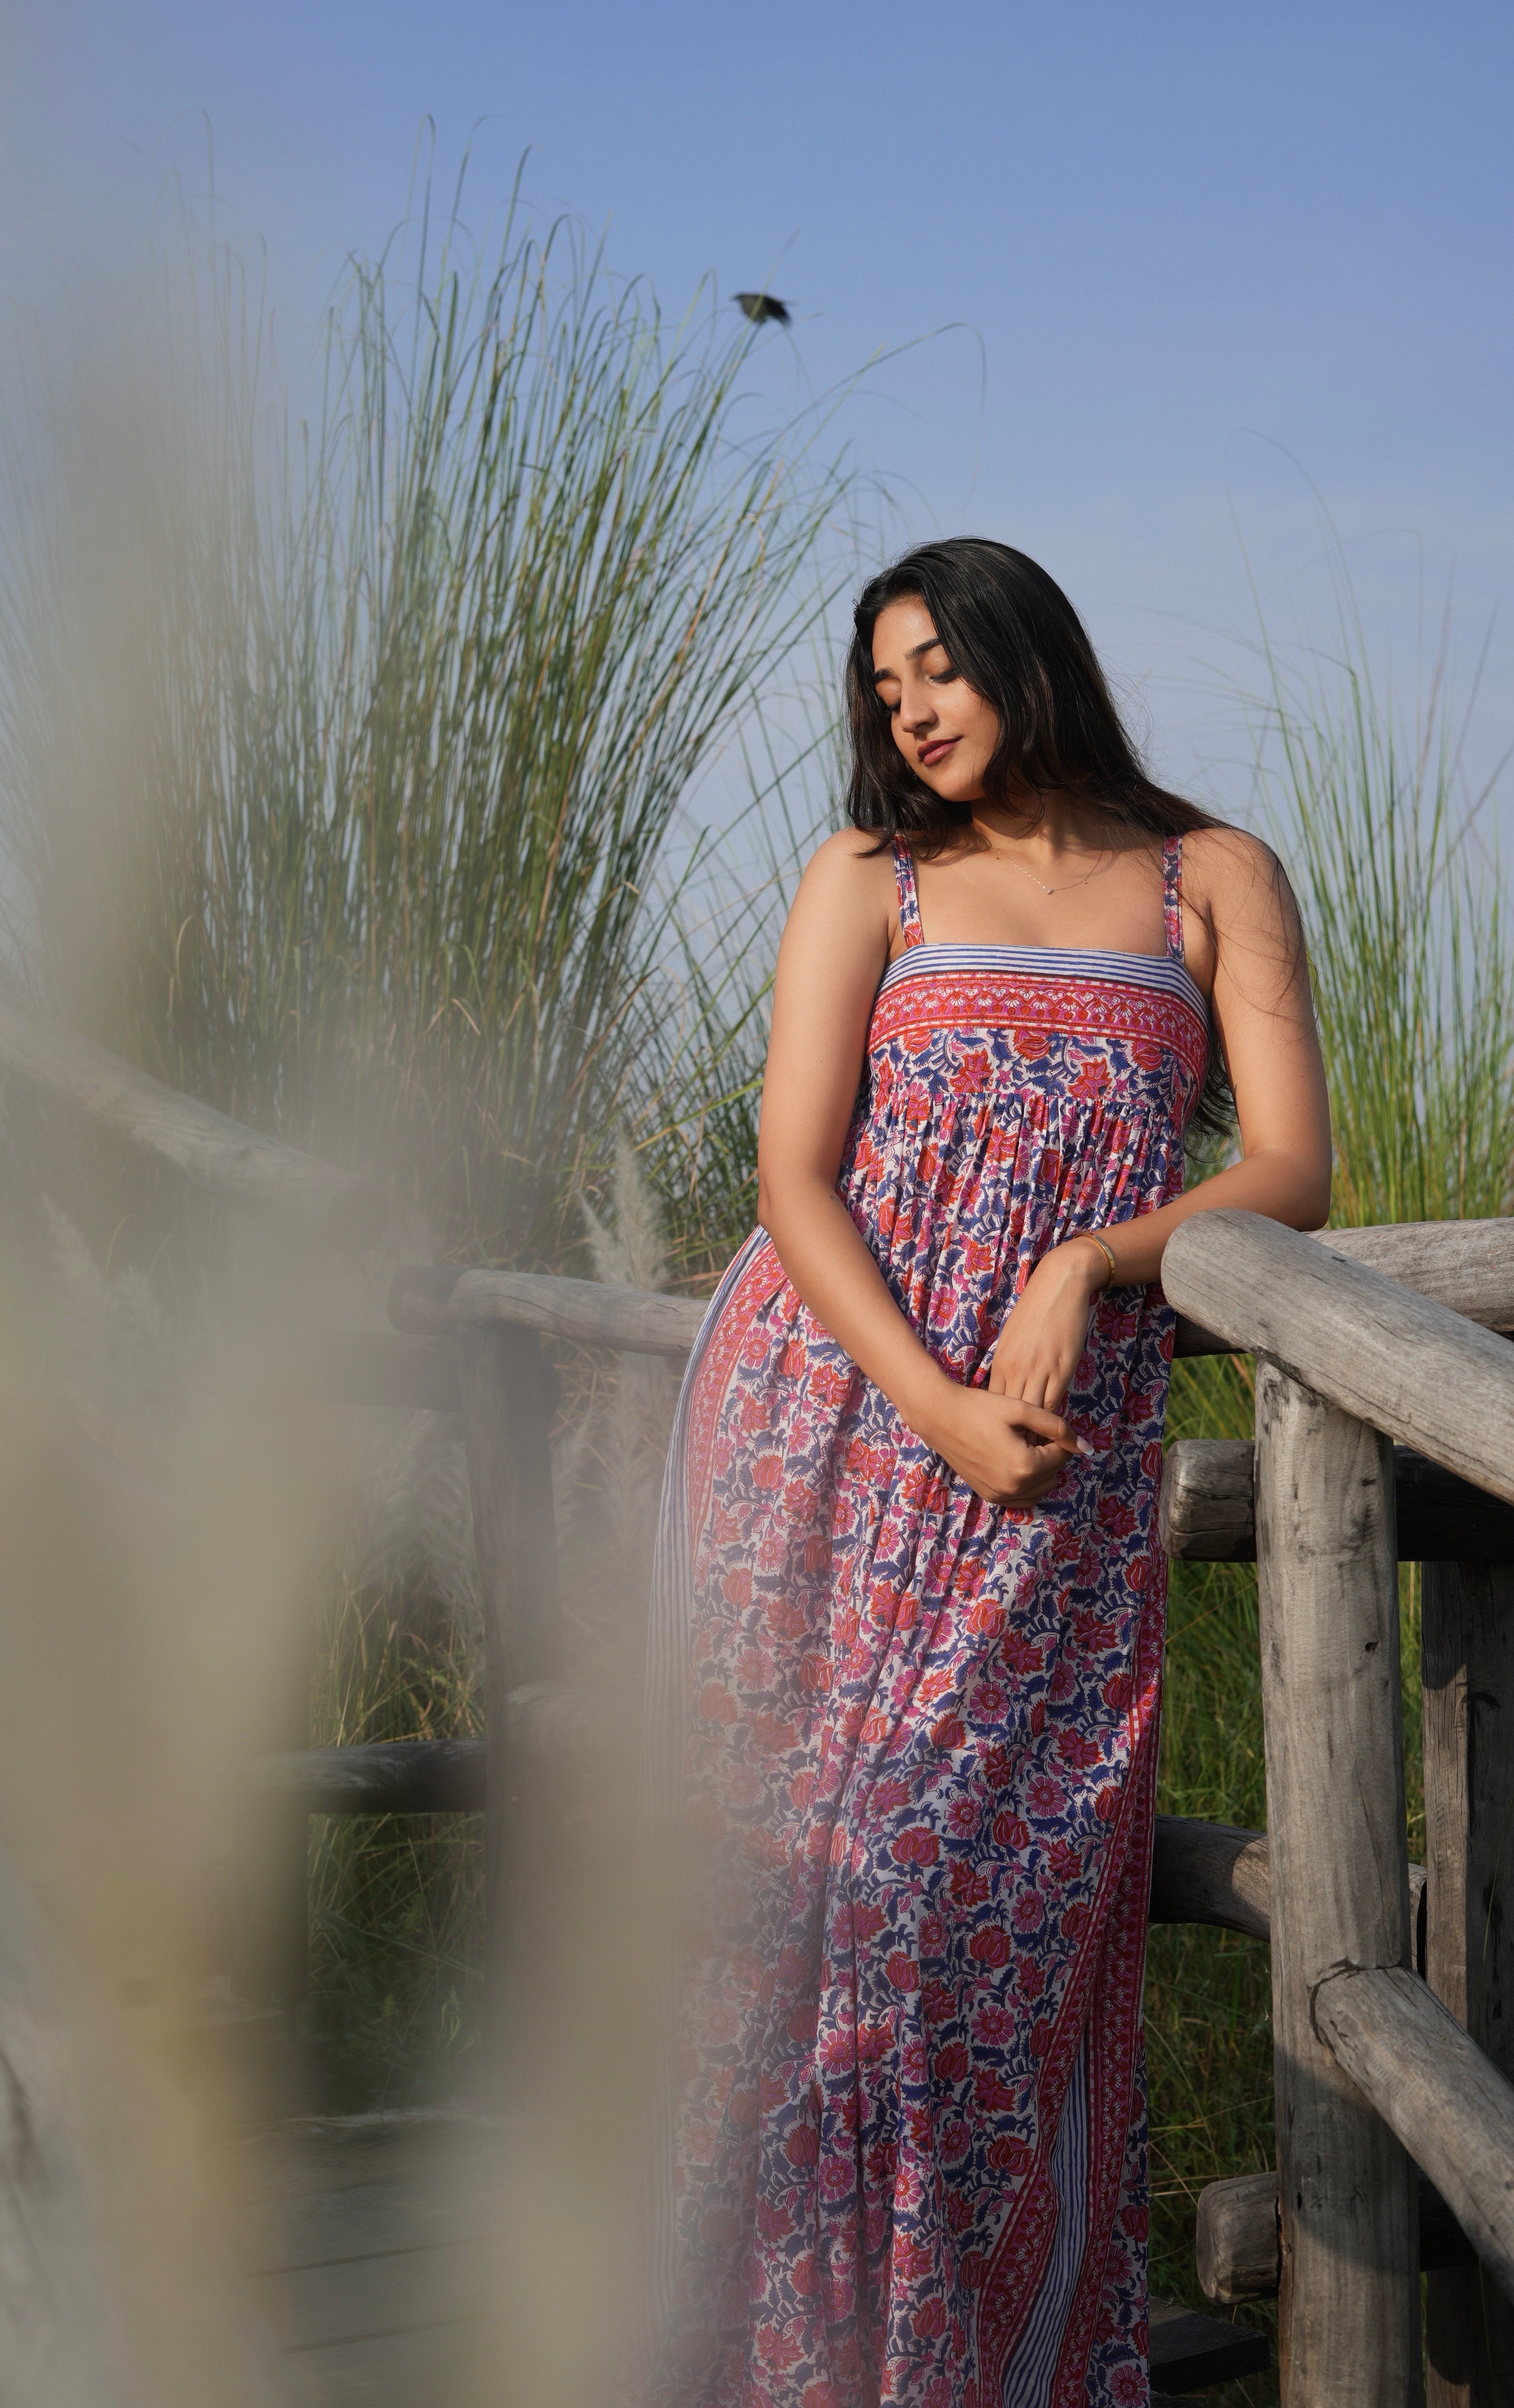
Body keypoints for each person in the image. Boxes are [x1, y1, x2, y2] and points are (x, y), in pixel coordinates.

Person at [636, 538, 1331, 2408]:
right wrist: (929, 1402)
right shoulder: (870, 877)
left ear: (1030, 653)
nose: (912, 711)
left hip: (1057, 1456)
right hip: (832, 1422)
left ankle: (960, 2358)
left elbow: (1289, 1169)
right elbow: (794, 1179)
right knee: (806, 1902)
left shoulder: (1209, 878)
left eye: (938, 665)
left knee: (972, 1910)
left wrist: (1091, 1261)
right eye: (886, 688)